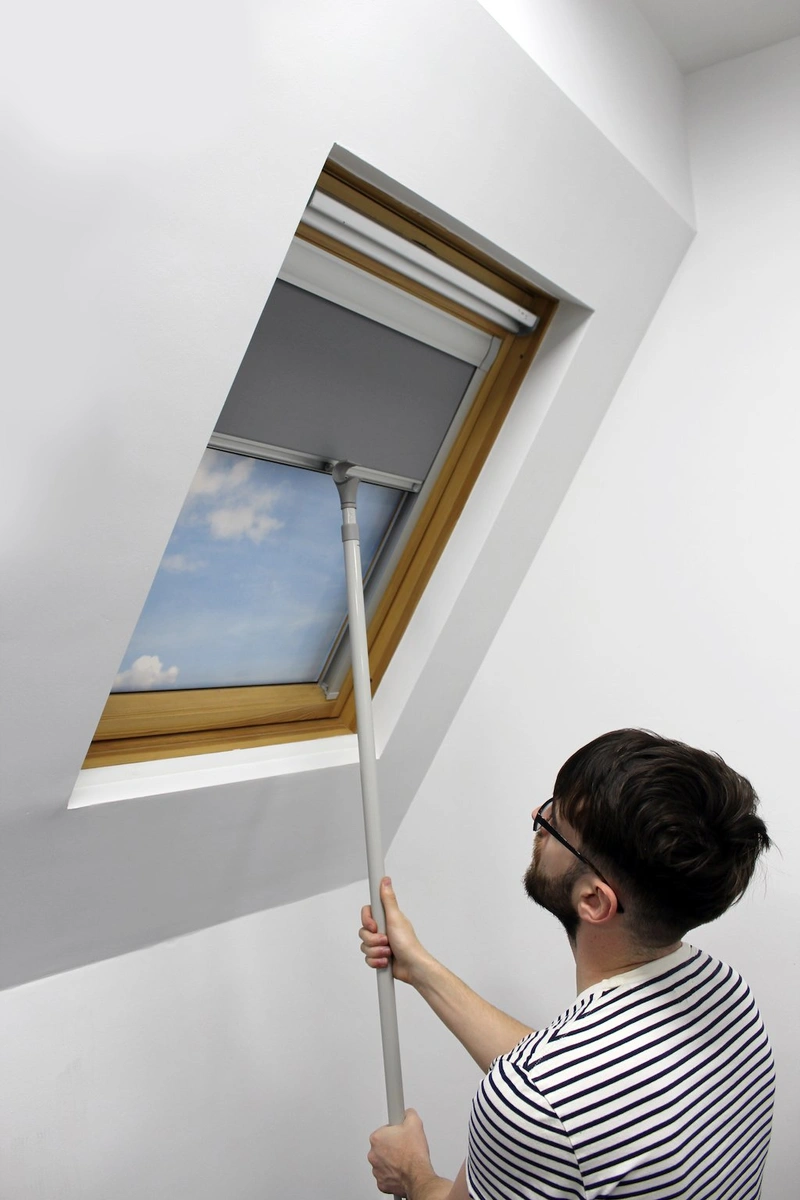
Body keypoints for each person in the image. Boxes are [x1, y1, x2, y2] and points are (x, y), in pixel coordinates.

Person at [360, 729, 774, 1199]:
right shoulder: (728, 993)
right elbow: (571, 1087)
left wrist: (410, 1170)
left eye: (555, 825)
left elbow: (551, 1097)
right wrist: (417, 966)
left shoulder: (539, 1101)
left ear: (594, 900)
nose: (538, 817)